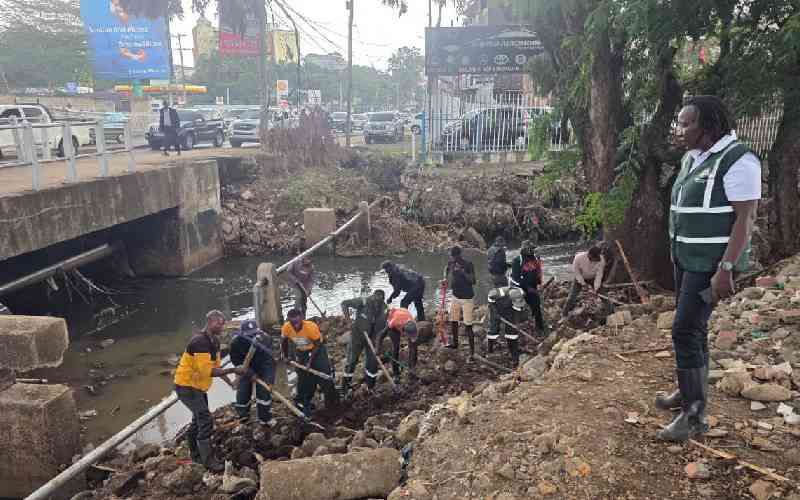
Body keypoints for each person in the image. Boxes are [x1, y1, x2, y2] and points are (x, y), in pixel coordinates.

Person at [656, 95, 760, 442]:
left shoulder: (738, 160)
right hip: (685, 259)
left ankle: (695, 415)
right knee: (693, 329)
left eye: (688, 124)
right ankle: (688, 395)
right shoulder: (692, 158)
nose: (680, 130)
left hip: (710, 264)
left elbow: (745, 220)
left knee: (684, 329)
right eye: (680, 123)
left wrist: (726, 268)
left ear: (710, 126)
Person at [173, 310, 246, 472]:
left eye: (223, 323)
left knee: (198, 420)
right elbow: (209, 372)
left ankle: (195, 453)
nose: (223, 326)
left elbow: (217, 368)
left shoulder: (215, 342)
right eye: (220, 323)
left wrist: (231, 383)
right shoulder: (199, 342)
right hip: (186, 386)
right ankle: (207, 460)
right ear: (211, 321)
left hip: (197, 387)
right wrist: (234, 370)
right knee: (205, 420)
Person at [280, 309, 339, 417]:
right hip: (301, 351)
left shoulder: (311, 327)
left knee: (324, 375)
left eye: (297, 322)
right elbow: (283, 341)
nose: (295, 326)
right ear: (289, 321)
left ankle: (331, 403)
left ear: (301, 318)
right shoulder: (286, 327)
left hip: (317, 350)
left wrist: (310, 362)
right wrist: (285, 356)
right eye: (293, 323)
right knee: (303, 378)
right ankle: (302, 402)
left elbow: (317, 345)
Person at [230, 320, 277, 427]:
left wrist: (269, 379)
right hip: (244, 368)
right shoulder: (235, 343)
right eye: (249, 335)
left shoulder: (266, 339)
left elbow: (270, 361)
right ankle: (243, 416)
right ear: (241, 333)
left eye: (254, 333)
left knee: (264, 391)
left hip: (263, 367)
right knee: (243, 392)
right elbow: (236, 361)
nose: (252, 336)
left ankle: (265, 418)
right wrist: (250, 373)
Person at [340, 290, 388, 393]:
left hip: (372, 338)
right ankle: (345, 387)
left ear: (383, 300)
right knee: (352, 360)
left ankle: (370, 387)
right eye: (375, 299)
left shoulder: (384, 310)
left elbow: (382, 330)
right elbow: (344, 304)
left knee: (373, 362)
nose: (377, 302)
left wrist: (377, 346)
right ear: (373, 296)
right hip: (358, 335)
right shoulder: (363, 301)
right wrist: (349, 322)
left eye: (380, 300)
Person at [443, 246, 477, 358]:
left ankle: (472, 352)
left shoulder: (468, 264)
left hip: (467, 298)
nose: (453, 258)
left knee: (468, 325)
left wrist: (462, 272)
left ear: (459, 255)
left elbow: (473, 281)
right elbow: (446, 269)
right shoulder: (451, 263)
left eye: (454, 256)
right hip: (455, 297)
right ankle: (455, 343)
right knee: (453, 321)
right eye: (452, 256)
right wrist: (445, 278)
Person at [510, 240, 546, 333]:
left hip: (532, 288)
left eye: (533, 249)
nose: (533, 251)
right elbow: (515, 278)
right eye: (531, 249)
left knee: (536, 306)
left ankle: (540, 327)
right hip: (519, 288)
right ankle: (514, 330)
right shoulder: (517, 261)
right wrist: (527, 288)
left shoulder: (535, 259)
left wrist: (540, 284)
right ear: (525, 249)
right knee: (517, 309)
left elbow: (538, 272)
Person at [486, 286, 526, 367]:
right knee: (494, 330)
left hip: (508, 309)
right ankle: (490, 349)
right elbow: (490, 300)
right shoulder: (497, 293)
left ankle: (515, 357)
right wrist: (494, 312)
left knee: (512, 333)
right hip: (496, 307)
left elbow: (517, 311)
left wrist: (516, 324)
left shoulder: (521, 293)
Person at [376, 307, 418, 382]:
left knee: (413, 347)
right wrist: (378, 348)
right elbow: (381, 335)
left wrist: (412, 368)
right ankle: (396, 374)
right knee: (395, 347)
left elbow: (413, 349)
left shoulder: (413, 325)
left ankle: (411, 370)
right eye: (408, 336)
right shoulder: (393, 322)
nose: (410, 337)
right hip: (393, 325)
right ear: (404, 332)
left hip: (403, 315)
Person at [561, 246, 606, 317]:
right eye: (595, 258)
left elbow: (599, 276)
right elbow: (576, 272)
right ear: (589, 255)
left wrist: (596, 289)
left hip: (593, 278)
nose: (596, 260)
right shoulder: (578, 258)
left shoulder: (601, 260)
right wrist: (583, 284)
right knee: (572, 297)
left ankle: (611, 313)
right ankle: (564, 314)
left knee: (604, 296)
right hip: (580, 278)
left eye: (597, 258)